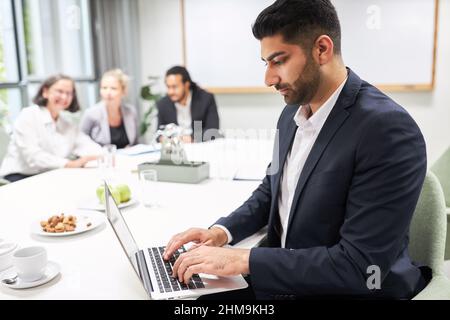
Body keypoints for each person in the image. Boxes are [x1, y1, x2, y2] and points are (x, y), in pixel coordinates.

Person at [163, 0, 428, 300]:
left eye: (279, 60)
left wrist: (243, 259)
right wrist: (221, 232)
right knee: (181, 295)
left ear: (322, 49)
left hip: (345, 289)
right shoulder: (291, 115)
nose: (268, 79)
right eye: (266, 63)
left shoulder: (387, 130)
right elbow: (271, 191)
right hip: (288, 274)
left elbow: (359, 267)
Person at [0, 74, 101, 183]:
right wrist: (69, 164)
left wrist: (105, 155)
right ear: (45, 92)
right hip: (19, 177)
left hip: (48, 175)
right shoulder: (28, 115)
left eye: (69, 93)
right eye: (60, 91)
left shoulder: (67, 124)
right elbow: (33, 157)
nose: (64, 97)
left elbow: (87, 145)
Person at [157, 66, 220, 143]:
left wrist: (191, 138)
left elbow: (213, 130)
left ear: (186, 85)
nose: (170, 92)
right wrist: (162, 138)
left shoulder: (205, 99)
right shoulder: (163, 104)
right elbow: (159, 133)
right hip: (175, 149)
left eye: (174, 87)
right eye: (168, 87)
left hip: (199, 146)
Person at [80, 69, 138, 149]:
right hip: (101, 159)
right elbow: (80, 143)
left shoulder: (131, 112)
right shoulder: (91, 113)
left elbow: (135, 144)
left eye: (113, 88)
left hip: (128, 159)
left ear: (123, 91)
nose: (108, 92)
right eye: (104, 88)